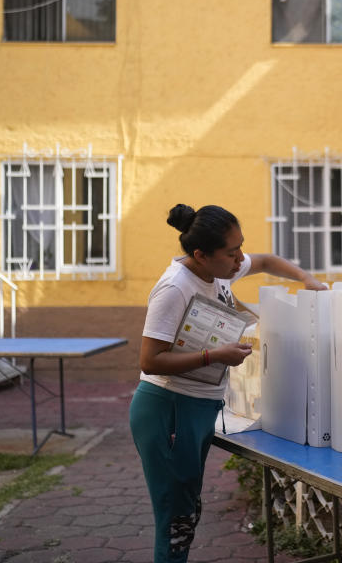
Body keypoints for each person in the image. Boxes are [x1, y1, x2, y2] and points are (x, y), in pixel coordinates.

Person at [129, 203, 325, 563]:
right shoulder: (175, 288)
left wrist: (305, 278)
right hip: (169, 408)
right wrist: (214, 356)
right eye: (231, 253)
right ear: (201, 255)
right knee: (177, 520)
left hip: (199, 405)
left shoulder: (219, 271)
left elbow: (265, 261)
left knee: (186, 509)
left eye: (240, 248)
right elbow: (149, 361)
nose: (239, 260)